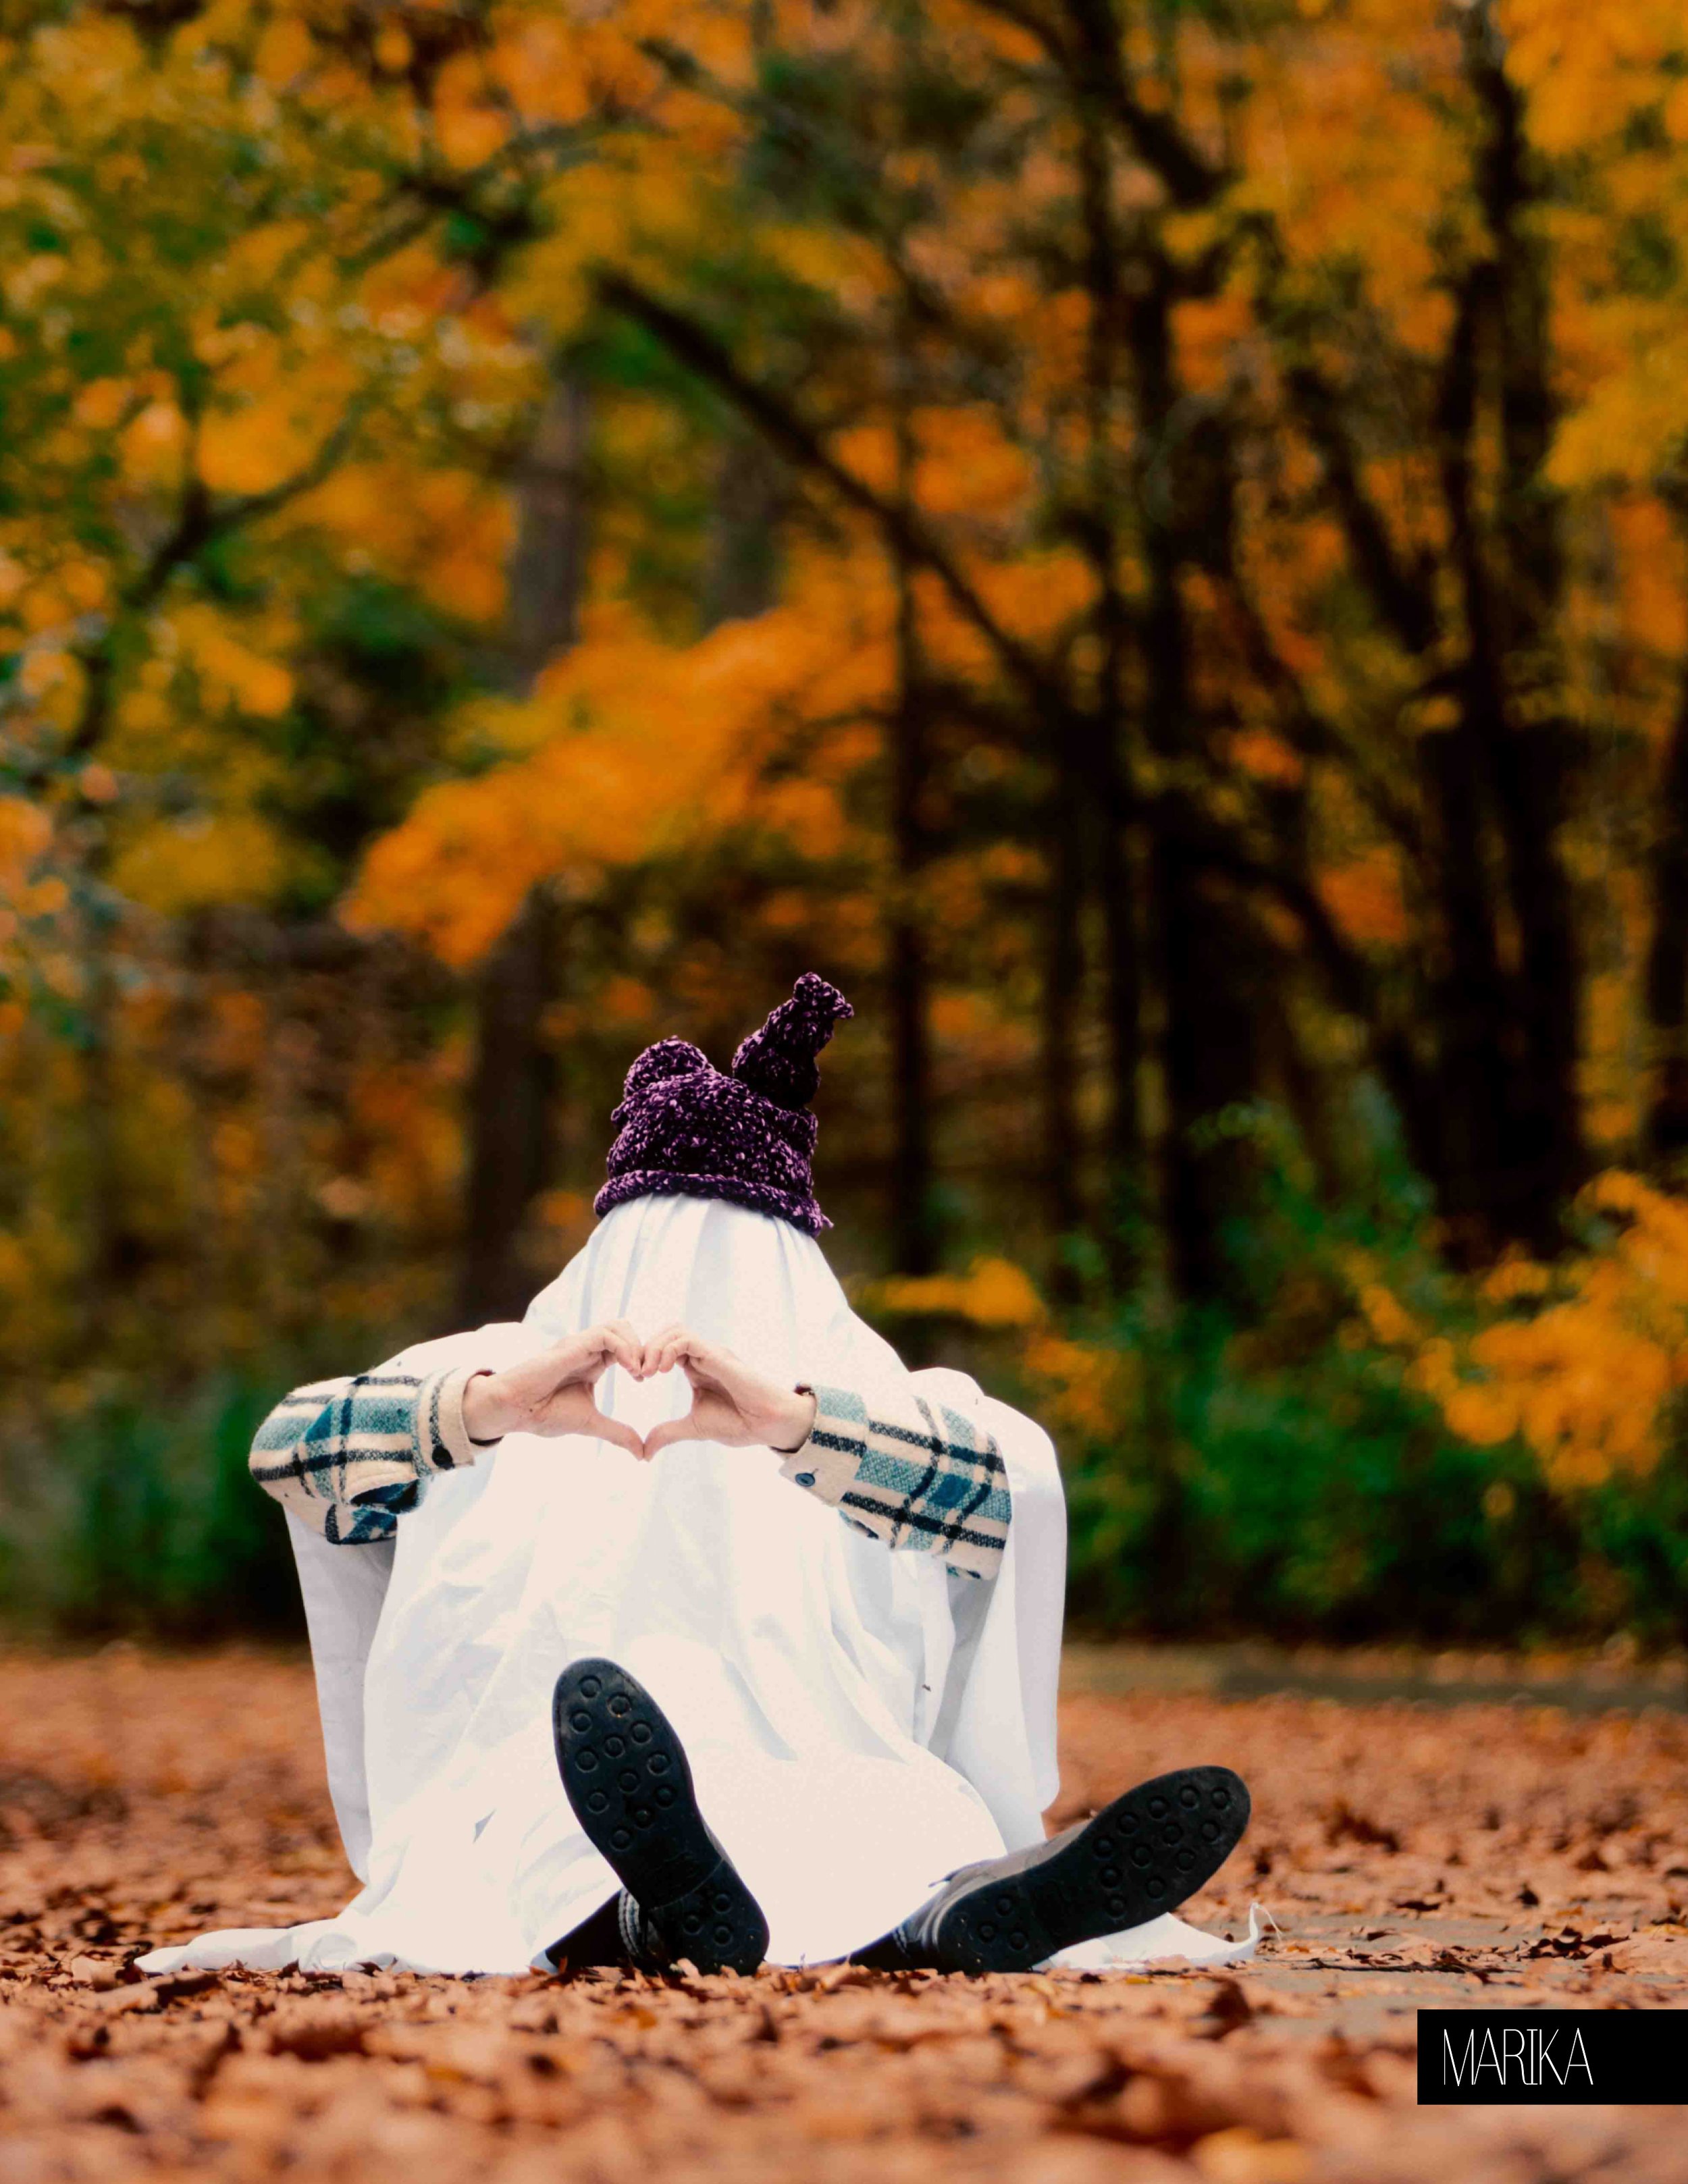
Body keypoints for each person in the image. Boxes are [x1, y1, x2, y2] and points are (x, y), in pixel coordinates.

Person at [140, 975, 1250, 1981]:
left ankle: (922, 1910)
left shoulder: (868, 1406)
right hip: (552, 1773)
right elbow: (290, 1450)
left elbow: (1006, 1491)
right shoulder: (481, 1381)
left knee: (887, 1824)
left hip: (831, 1770)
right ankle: (819, 1913)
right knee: (558, 1832)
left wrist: (794, 1425)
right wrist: (485, 1411)